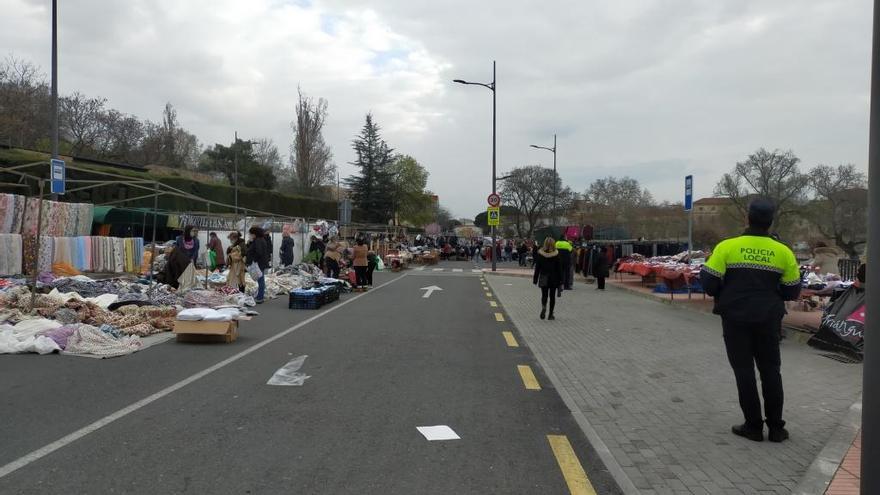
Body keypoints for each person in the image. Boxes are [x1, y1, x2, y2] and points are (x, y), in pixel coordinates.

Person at [700, 197, 801, 443]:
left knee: (744, 371)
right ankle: (777, 428)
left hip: (735, 318)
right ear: (771, 222)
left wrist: (727, 291)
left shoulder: (727, 247)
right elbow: (792, 291)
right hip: (768, 318)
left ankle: (753, 426)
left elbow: (709, 283)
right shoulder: (783, 252)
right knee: (771, 371)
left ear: (747, 218)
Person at [533, 237, 563, 320]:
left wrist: (535, 279)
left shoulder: (540, 254)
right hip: (554, 278)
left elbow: (537, 267)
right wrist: (561, 280)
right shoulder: (556, 254)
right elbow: (559, 268)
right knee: (552, 296)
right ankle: (550, 314)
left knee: (544, 295)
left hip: (543, 276)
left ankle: (544, 307)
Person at [246, 226, 270, 304]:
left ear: (254, 234)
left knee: (260, 280)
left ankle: (260, 297)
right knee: (261, 279)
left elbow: (258, 252)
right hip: (261, 263)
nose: (250, 235)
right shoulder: (260, 240)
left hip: (259, 263)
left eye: (251, 234)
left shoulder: (258, 241)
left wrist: (254, 260)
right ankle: (260, 295)